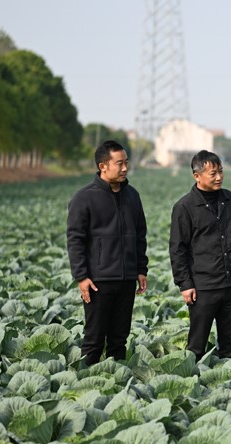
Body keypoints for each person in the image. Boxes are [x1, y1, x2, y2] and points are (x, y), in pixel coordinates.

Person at [66, 140, 148, 366]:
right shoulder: (84, 198)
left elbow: (140, 234)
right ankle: (85, 382)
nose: (124, 168)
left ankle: (117, 384)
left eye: (126, 163)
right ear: (103, 166)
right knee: (93, 339)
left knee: (119, 340)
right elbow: (75, 240)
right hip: (98, 281)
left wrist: (141, 269)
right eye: (119, 163)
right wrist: (81, 276)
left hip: (126, 279)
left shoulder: (132, 195)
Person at [169, 150, 231, 359]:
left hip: (230, 282)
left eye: (221, 171)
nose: (219, 177)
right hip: (203, 286)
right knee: (197, 343)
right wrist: (185, 284)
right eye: (213, 174)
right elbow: (178, 249)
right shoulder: (184, 207)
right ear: (197, 176)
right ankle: (193, 382)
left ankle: (230, 379)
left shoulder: (230, 200)